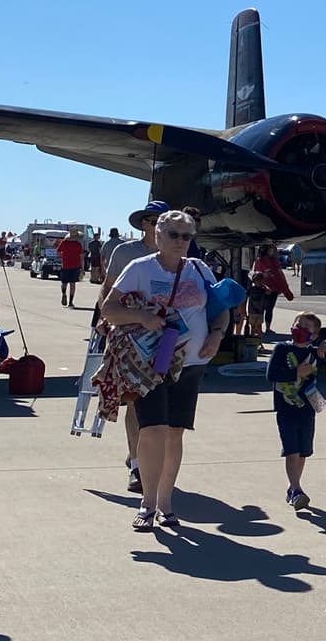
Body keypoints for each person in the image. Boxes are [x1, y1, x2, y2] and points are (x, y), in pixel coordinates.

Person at [102, 210, 229, 531]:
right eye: (173, 234)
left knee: (174, 434)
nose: (180, 242)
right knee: (152, 430)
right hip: (152, 364)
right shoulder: (139, 269)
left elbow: (220, 310)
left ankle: (166, 503)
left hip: (191, 363)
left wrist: (216, 335)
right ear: (157, 236)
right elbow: (110, 308)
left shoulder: (200, 270)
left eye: (186, 236)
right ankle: (146, 503)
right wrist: (143, 318)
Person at [99, 199, 168, 494]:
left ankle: (143, 456)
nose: (160, 228)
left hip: (167, 338)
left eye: (165, 222)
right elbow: (108, 286)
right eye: (154, 222)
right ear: (144, 224)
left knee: (161, 400)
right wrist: (103, 316)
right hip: (130, 333)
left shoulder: (179, 254)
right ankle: (138, 467)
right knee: (135, 399)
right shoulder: (126, 252)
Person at [267, 311, 326, 511]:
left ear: (314, 335)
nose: (300, 329)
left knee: (303, 452)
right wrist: (296, 372)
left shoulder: (313, 353)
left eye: (306, 328)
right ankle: (296, 489)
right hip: (286, 408)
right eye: (298, 324)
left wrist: (325, 346)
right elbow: (271, 374)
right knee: (291, 450)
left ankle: (293, 488)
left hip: (308, 408)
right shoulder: (282, 349)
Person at [250, 243, 294, 334]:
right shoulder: (268, 261)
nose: (273, 251)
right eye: (271, 249)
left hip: (266, 287)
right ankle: (265, 327)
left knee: (263, 308)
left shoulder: (264, 260)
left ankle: (262, 328)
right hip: (267, 287)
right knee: (267, 308)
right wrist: (284, 287)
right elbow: (278, 274)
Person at [56, 229, 84, 308]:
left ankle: (64, 293)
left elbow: (58, 252)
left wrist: (63, 256)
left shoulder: (64, 242)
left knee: (64, 283)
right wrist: (82, 268)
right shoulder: (78, 244)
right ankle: (71, 302)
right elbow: (81, 257)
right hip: (75, 266)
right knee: (73, 284)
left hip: (65, 265)